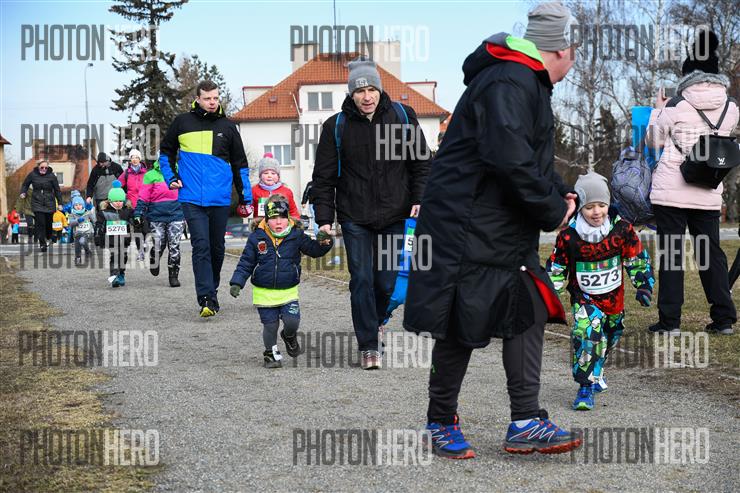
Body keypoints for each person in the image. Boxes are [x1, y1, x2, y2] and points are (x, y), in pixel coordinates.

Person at [403, 2, 582, 459]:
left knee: (528, 308)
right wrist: (552, 210)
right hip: (466, 225)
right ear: (562, 49)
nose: (575, 60)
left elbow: (526, 155)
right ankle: (440, 422)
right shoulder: (510, 78)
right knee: (461, 322)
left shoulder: (523, 79)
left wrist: (561, 191)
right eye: (574, 51)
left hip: (500, 227)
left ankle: (525, 420)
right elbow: (508, 158)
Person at [312, 58, 431, 369]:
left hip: (395, 214)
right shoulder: (336, 126)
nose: (366, 97)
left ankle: (376, 320)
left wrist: (419, 198)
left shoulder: (403, 117)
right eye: (360, 91)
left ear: (379, 89)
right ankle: (368, 345)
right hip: (354, 216)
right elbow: (323, 177)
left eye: (371, 90)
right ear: (351, 94)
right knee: (362, 279)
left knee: (386, 283)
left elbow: (422, 163)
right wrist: (324, 218)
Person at [646, 28, 738, 336]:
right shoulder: (731, 107)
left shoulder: (675, 104)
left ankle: (670, 322)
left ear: (687, 74)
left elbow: (654, 141)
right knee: (711, 255)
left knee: (672, 255)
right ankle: (723, 319)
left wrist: (658, 110)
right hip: (708, 191)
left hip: (671, 191)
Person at [547, 172, 654, 410]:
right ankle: (585, 387)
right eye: (589, 207)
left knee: (611, 334)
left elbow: (636, 259)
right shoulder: (569, 236)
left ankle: (597, 368)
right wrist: (548, 294)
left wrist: (644, 285)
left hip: (614, 302)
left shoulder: (622, 230)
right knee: (587, 333)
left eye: (602, 206)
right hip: (585, 299)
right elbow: (557, 267)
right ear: (580, 208)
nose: (596, 212)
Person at [159, 80, 253, 317]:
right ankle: (206, 299)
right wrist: (171, 177)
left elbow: (240, 165)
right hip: (190, 197)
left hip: (219, 198)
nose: (212, 102)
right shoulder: (182, 122)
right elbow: (166, 153)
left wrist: (246, 198)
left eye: (215, 98)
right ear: (197, 99)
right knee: (201, 245)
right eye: (207, 98)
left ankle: (213, 289)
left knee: (217, 248)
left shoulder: (228, 127)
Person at [229, 196, 333, 368]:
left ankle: (289, 336)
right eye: (273, 218)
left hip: (288, 290)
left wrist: (325, 242)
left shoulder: (297, 235)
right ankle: (271, 355)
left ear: (288, 217)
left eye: (282, 217)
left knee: (292, 322)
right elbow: (246, 262)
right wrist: (237, 282)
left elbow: (314, 250)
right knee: (270, 326)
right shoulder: (256, 237)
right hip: (264, 292)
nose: (278, 222)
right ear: (266, 219)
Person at [134, 159, 185, 287]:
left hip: (176, 214)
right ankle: (154, 258)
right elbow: (143, 196)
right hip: (156, 215)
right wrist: (138, 213)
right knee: (159, 243)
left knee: (174, 245)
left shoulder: (181, 173)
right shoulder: (150, 175)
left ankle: (173, 275)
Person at [20, 160, 63, 252]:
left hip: (49, 203)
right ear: (38, 167)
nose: (44, 169)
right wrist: (23, 192)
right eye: (42, 167)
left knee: (48, 223)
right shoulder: (32, 175)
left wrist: (60, 203)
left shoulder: (52, 176)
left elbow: (57, 190)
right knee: (40, 223)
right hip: (37, 202)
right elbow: (25, 184)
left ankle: (49, 236)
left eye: (46, 168)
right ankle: (42, 244)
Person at [99, 181, 134, 287]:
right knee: (115, 256)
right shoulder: (104, 212)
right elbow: (99, 226)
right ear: (110, 201)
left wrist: (137, 221)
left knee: (123, 256)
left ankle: (121, 274)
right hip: (111, 240)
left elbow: (133, 221)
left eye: (120, 201)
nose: (118, 203)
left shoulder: (127, 211)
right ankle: (114, 276)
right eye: (115, 201)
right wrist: (99, 237)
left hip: (124, 239)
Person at [86, 152, 124, 248]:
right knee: (101, 220)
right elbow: (90, 184)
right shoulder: (95, 170)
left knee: (114, 219)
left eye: (103, 162)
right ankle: (101, 240)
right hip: (100, 198)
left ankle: (115, 241)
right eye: (100, 163)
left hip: (115, 198)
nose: (101, 164)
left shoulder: (116, 167)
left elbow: (124, 181)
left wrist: (124, 194)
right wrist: (89, 196)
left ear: (108, 161)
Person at [250, 153, 300, 223]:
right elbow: (247, 208)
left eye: (273, 173)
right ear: (260, 176)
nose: (269, 176)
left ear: (278, 176)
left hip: (281, 225)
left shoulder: (286, 191)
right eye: (266, 173)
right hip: (261, 226)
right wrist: (243, 209)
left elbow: (293, 211)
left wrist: (296, 223)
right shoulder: (254, 191)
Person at [119, 149, 149, 261]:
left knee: (145, 228)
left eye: (136, 157)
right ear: (130, 160)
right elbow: (118, 184)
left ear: (140, 159)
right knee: (137, 229)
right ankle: (140, 252)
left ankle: (145, 244)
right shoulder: (127, 173)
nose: (134, 159)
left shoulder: (146, 173)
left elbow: (152, 186)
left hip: (144, 204)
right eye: (132, 157)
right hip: (132, 205)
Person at [68, 194, 95, 265]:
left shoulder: (88, 213)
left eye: (80, 205)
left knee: (82, 241)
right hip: (77, 233)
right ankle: (78, 258)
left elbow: (94, 221)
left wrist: (96, 229)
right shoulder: (72, 215)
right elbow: (70, 223)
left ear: (83, 205)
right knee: (77, 245)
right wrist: (77, 221)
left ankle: (87, 251)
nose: (78, 206)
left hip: (87, 232)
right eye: (76, 205)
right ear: (73, 206)